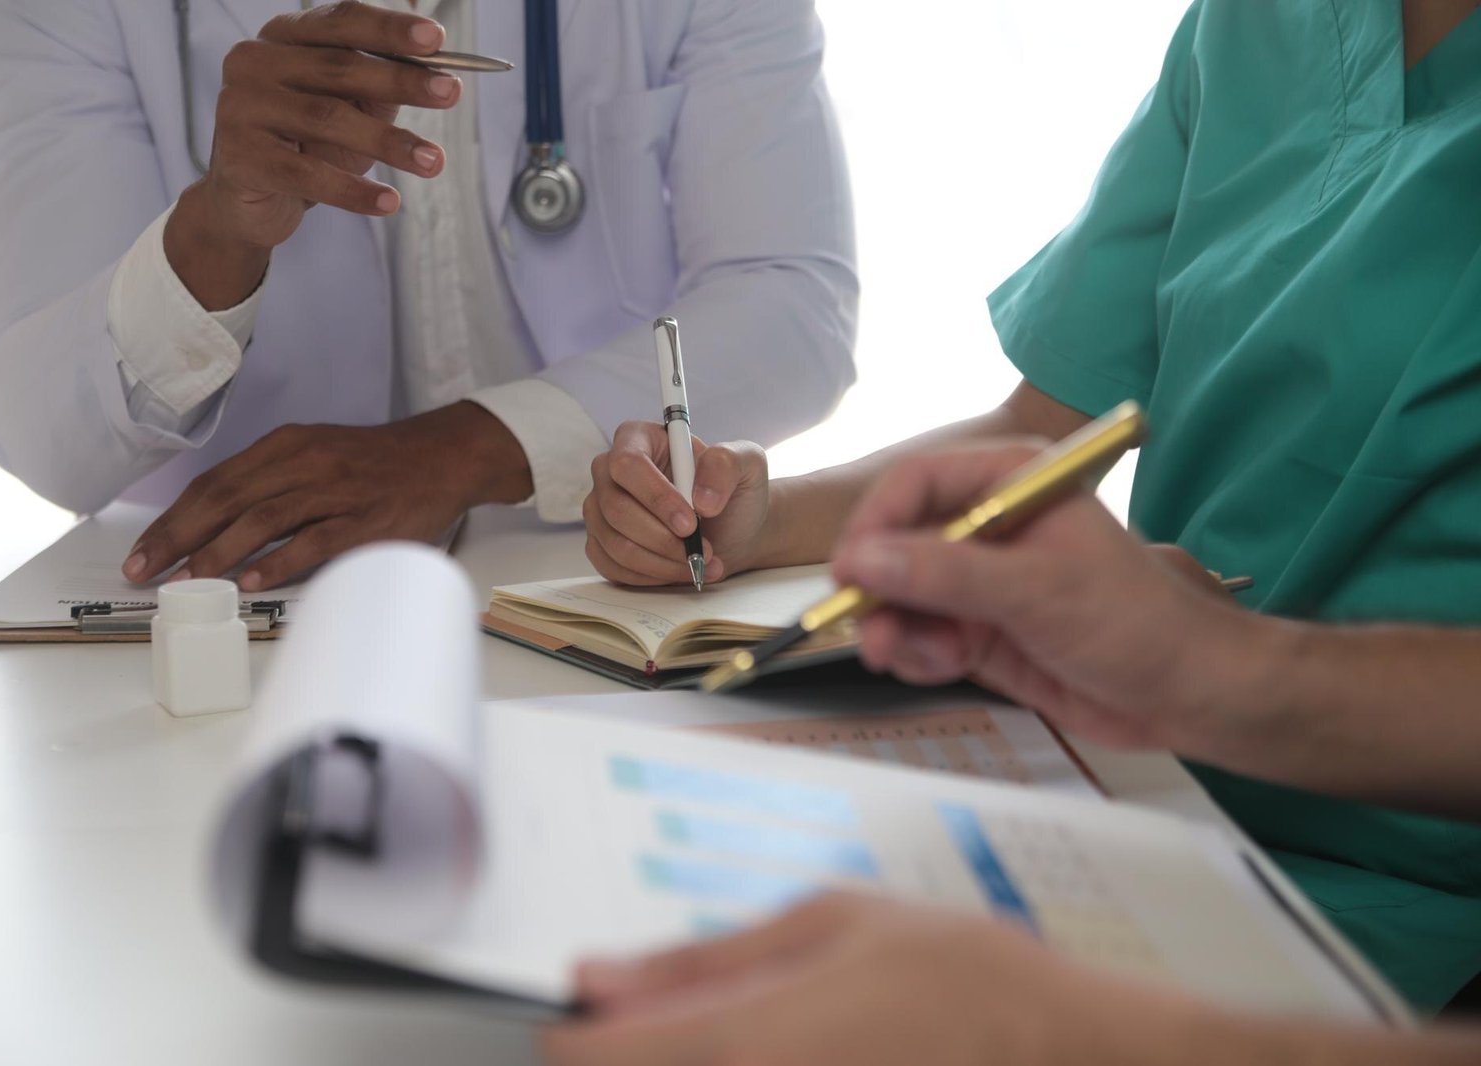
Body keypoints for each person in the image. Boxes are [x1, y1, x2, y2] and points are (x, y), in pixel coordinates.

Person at [580, 0, 1481, 1010]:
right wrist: (757, 517)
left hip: (1402, 892)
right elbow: (1044, 427)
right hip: (1140, 791)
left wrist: (1216, 664)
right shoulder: (1256, 24)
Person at [544, 441, 1481, 1065]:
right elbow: (1034, 426)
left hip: (1395, 924)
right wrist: (1221, 667)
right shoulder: (1225, 129)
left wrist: (1098, 1039)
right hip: (1144, 790)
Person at [0, 0, 856, 591]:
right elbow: (45, 437)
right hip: (243, 597)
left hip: (596, 579)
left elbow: (793, 307)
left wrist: (458, 452)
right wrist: (218, 225)